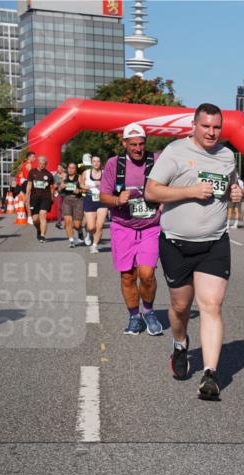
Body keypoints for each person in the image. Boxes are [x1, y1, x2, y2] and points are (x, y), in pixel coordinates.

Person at [145, 103, 243, 401]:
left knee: (211, 305)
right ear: (194, 125)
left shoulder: (227, 156)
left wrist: (235, 192)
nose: (212, 132)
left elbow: (230, 187)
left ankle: (210, 375)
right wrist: (189, 191)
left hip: (214, 243)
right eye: (206, 126)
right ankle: (179, 343)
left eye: (216, 127)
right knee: (180, 306)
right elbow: (151, 192)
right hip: (175, 243)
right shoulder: (175, 152)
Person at [99, 123, 164, 337]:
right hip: (123, 226)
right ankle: (134, 316)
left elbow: (172, 183)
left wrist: (164, 200)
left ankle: (148, 311)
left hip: (150, 226)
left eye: (141, 144)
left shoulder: (156, 161)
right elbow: (103, 196)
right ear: (124, 143)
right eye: (133, 144)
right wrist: (118, 199)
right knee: (128, 276)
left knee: (146, 273)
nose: (138, 148)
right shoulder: (113, 164)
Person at [80, 154, 108, 253]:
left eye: (98, 161)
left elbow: (110, 184)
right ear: (91, 163)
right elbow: (81, 183)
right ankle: (88, 233)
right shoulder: (86, 173)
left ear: (101, 163)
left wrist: (103, 184)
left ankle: (94, 246)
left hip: (102, 199)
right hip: (89, 199)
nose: (96, 163)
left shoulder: (105, 173)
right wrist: (85, 187)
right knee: (91, 227)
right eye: (94, 161)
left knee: (100, 225)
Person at [25, 155, 55, 243]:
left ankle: (42, 235)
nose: (42, 165)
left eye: (43, 164)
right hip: (34, 198)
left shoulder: (49, 175)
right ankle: (38, 229)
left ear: (46, 164)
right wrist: (27, 195)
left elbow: (51, 187)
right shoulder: (32, 172)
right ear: (38, 163)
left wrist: (52, 197)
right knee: (35, 219)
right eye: (40, 163)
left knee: (43, 214)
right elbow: (29, 184)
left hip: (46, 198)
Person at [60, 162, 85, 248]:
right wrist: (61, 187)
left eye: (73, 168)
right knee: (67, 221)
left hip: (78, 200)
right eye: (69, 168)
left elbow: (84, 189)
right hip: (67, 200)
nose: (71, 169)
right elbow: (59, 188)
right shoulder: (64, 177)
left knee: (76, 225)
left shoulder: (79, 177)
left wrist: (79, 190)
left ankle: (80, 231)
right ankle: (71, 240)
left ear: (75, 169)